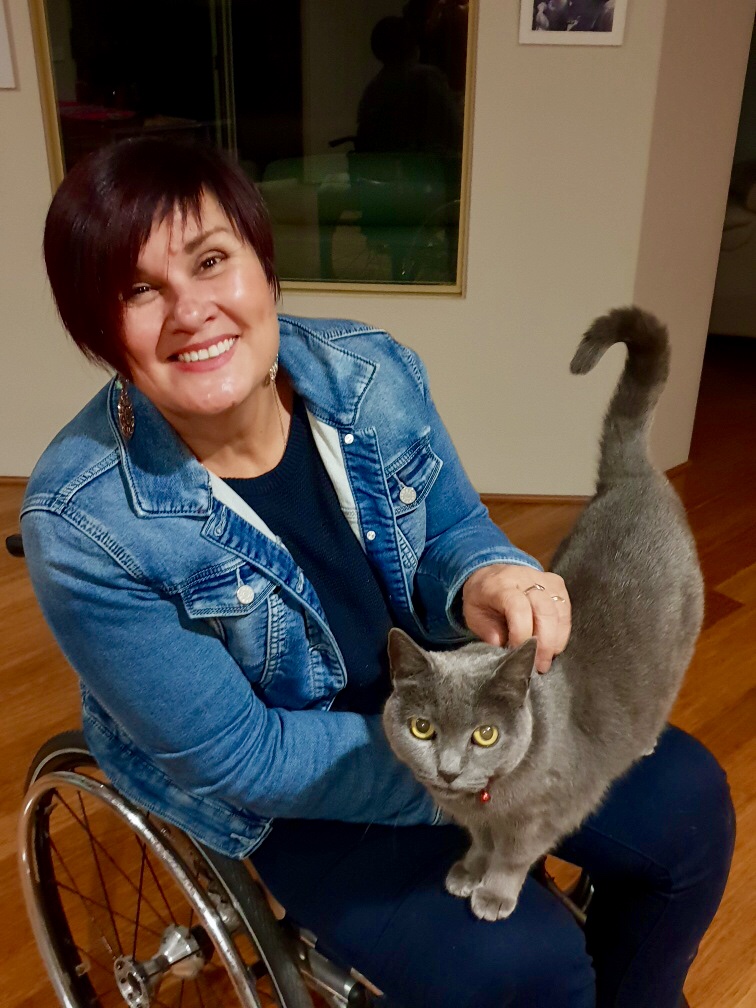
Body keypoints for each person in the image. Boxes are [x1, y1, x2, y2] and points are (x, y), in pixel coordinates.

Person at [23, 136, 734, 1008]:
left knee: (691, 813)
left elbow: (455, 527)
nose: (191, 310)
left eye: (212, 261)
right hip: (303, 777)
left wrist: (490, 576)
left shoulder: (367, 370)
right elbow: (245, 755)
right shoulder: (85, 523)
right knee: (524, 969)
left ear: (261, 263)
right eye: (140, 289)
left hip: (453, 701)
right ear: (97, 328)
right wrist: (463, 780)